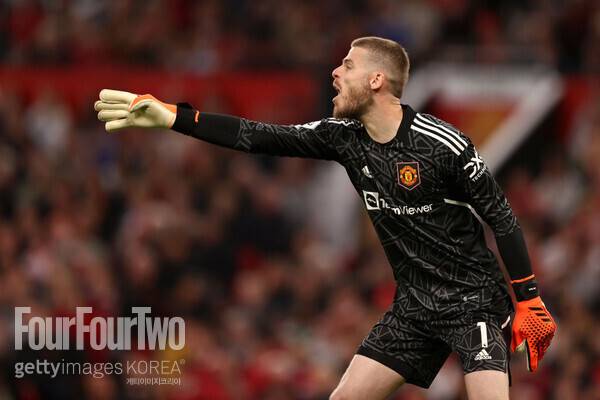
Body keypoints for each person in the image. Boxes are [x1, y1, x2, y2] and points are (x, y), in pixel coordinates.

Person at [94, 36, 556, 400]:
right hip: (414, 306)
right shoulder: (344, 137)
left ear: (376, 80)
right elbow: (259, 136)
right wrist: (173, 116)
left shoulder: (442, 145)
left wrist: (529, 299)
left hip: (472, 300)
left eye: (348, 66)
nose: (336, 72)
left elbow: (502, 217)